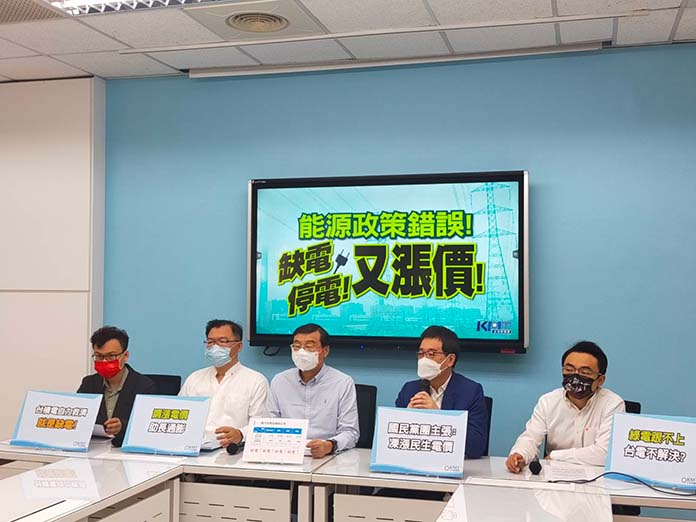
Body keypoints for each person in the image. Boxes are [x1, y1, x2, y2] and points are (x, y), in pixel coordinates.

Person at [506, 340, 625, 472]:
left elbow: (604, 454)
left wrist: (555, 456)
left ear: (600, 380)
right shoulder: (548, 401)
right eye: (569, 370)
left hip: (597, 477)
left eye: (585, 372)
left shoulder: (613, 404)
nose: (575, 376)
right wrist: (520, 454)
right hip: (554, 476)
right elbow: (531, 437)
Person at [395, 325, 489, 459]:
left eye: (431, 354)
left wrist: (438, 416)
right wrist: (405, 418)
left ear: (450, 360)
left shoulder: (471, 391)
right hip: (414, 461)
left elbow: (476, 446)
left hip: (452, 464)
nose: (424, 360)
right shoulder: (409, 389)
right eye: (421, 354)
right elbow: (393, 440)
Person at [267, 323, 359, 458]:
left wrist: (329, 445)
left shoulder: (342, 382)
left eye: (309, 346)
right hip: (286, 454)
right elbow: (269, 423)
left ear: (325, 351)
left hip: (327, 456)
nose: (302, 352)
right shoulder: (280, 381)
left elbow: (350, 432)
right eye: (297, 346)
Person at [179, 319, 268, 448]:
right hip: (192, 447)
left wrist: (240, 434)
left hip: (232, 450)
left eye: (222, 341)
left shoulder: (256, 381)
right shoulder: (194, 378)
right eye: (210, 342)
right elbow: (179, 415)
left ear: (239, 346)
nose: (215, 347)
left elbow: (261, 423)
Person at [77, 326, 157, 447]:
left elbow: (149, 428)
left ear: (125, 356)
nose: (104, 361)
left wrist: (122, 427)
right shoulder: (89, 383)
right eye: (99, 356)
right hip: (94, 450)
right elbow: (78, 418)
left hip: (126, 452)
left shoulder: (144, 386)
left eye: (111, 356)